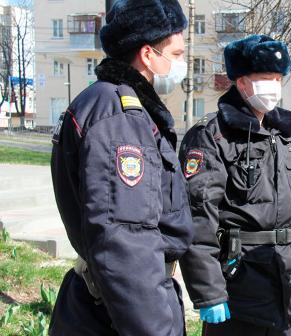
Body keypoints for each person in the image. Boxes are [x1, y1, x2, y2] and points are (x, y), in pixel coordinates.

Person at [49, 1, 196, 335]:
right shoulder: (120, 116)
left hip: (111, 306)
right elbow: (125, 243)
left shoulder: (105, 102)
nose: (181, 64)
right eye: (176, 54)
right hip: (119, 314)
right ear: (148, 54)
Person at [178, 34, 291, 336]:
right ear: (242, 81)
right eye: (265, 78)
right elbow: (199, 218)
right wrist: (208, 291)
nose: (273, 86)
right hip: (239, 287)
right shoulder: (213, 135)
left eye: (278, 78)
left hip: (289, 287)